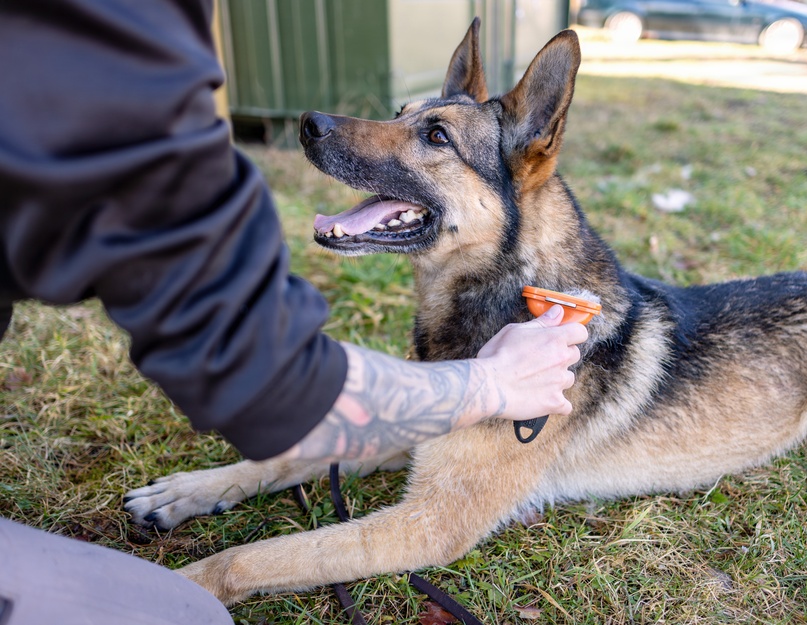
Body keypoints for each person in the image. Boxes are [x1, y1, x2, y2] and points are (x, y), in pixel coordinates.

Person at [0, 1, 588, 623]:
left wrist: (228, 570)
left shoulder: (583, 346)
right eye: (408, 123)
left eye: (433, 137)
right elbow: (284, 383)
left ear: (531, 151)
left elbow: (433, 528)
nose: (363, 131)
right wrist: (487, 384)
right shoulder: (128, 40)